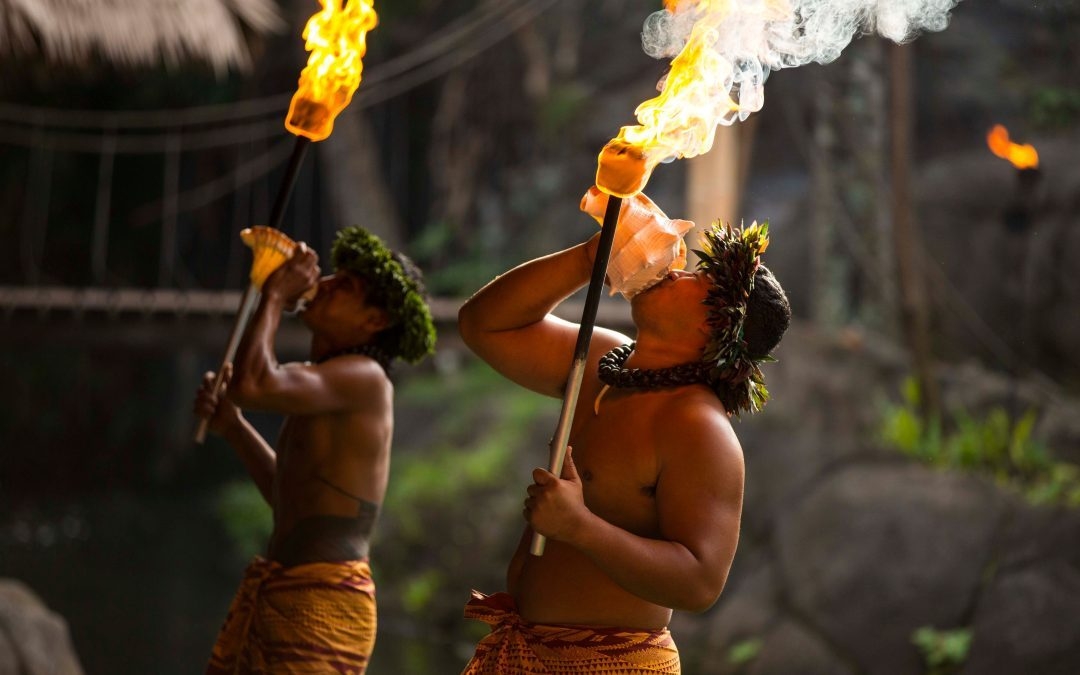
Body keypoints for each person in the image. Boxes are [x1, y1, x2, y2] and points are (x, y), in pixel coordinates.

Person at [456, 217, 790, 673]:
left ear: (714, 328)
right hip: (521, 649)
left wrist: (580, 528)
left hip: (615, 663)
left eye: (698, 278)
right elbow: (483, 326)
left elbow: (699, 583)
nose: (677, 270)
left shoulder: (698, 426)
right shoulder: (600, 361)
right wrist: (587, 260)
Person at [194, 226, 436, 674]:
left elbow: (251, 384)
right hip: (287, 587)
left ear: (374, 321)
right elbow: (289, 497)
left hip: (323, 598)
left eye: (344, 286)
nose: (322, 285)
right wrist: (234, 427)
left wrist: (272, 295)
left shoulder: (363, 378)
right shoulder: (322, 380)